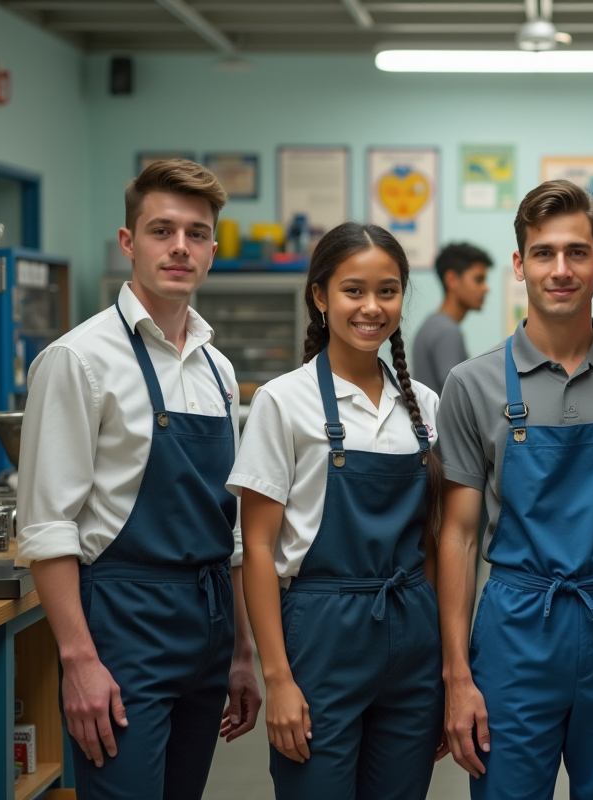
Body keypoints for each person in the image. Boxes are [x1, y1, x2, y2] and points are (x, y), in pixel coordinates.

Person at [436, 180, 593, 800]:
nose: (560, 269)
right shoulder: (471, 385)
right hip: (515, 629)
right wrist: (457, 676)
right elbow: (459, 536)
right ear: (519, 264)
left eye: (577, 252)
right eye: (544, 253)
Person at [16, 159, 260, 800]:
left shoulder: (218, 370)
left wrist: (241, 653)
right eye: (161, 230)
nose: (180, 247)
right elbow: (47, 528)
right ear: (129, 242)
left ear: (212, 251)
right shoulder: (78, 359)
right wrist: (78, 661)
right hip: (124, 625)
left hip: (209, 623)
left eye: (197, 233)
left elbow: (231, 528)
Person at [232, 222, 446, 798]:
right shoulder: (283, 401)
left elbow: (434, 541)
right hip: (321, 636)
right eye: (354, 290)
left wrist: (442, 667)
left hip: (412, 635)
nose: (372, 307)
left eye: (388, 291)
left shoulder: (426, 406)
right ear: (320, 297)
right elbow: (257, 548)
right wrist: (277, 678)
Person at [413, 242, 493, 395]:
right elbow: (457, 394)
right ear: (452, 279)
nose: (485, 288)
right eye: (478, 280)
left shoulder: (432, 324)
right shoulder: (447, 331)